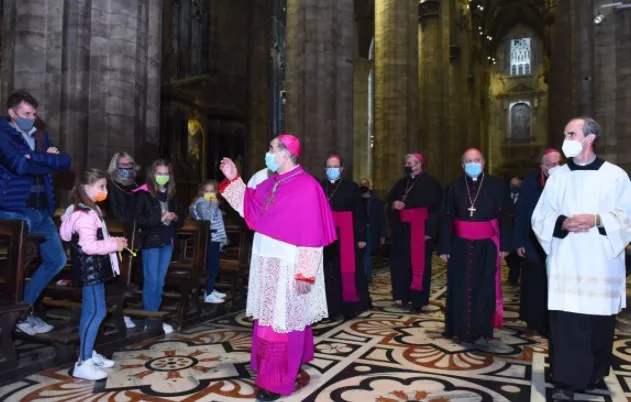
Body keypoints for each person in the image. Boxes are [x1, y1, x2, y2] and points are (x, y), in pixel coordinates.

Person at [218, 134, 336, 401]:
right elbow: (248, 207)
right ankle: (272, 366)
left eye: (272, 148)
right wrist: (234, 178)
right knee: (271, 319)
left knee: (283, 321)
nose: (268, 152)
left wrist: (305, 272)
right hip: (265, 261)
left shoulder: (307, 186)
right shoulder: (272, 182)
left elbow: (312, 234)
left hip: (288, 264)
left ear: (286, 153)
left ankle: (277, 381)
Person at [531, 117, 631, 401]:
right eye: (565, 134)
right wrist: (562, 223)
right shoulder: (558, 176)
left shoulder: (615, 176)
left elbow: (627, 215)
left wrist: (597, 219)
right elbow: (540, 216)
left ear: (589, 138)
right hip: (567, 262)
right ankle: (563, 381)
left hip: (601, 263)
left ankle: (593, 374)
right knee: (566, 323)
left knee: (597, 322)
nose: (566, 138)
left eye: (571, 134)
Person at [0, 91, 71, 335]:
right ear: (12, 113)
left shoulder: (40, 136)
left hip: (42, 210)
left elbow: (64, 162)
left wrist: (34, 157)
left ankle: (23, 312)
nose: (32, 117)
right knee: (20, 265)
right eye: (26, 114)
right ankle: (16, 316)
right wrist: (44, 160)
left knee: (57, 260)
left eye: (34, 113)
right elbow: (18, 164)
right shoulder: (3, 134)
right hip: (16, 209)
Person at [439, 148, 512, 343]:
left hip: (486, 246)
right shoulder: (453, 187)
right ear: (463, 165)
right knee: (459, 286)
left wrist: (505, 245)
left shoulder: (497, 185)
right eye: (469, 160)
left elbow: (505, 216)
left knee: (484, 286)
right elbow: (446, 217)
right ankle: (458, 328)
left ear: (484, 163)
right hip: (459, 246)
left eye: (477, 159)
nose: (473, 163)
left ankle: (482, 329)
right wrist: (444, 246)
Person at [59, 169, 127, 380]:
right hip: (91, 271)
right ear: (86, 188)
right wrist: (113, 244)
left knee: (91, 313)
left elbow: (93, 239)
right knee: (96, 313)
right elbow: (88, 246)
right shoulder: (84, 215)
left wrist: (111, 241)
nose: (105, 191)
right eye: (101, 186)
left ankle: (87, 353)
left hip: (93, 270)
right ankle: (83, 363)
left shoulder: (87, 210)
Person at [514, 149, 562, 336]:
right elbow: (522, 212)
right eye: (553, 164)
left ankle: (554, 321)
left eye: (560, 162)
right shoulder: (530, 181)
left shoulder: (568, 179)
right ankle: (533, 321)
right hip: (533, 240)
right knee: (534, 282)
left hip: (558, 239)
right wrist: (519, 241)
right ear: (543, 167)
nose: (558, 167)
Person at [133, 159, 184, 334]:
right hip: (151, 242)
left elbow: (181, 217)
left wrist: (174, 217)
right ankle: (150, 319)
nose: (162, 177)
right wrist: (159, 218)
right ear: (152, 174)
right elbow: (139, 220)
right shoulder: (144, 194)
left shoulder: (172, 194)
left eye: (165, 173)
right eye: (159, 173)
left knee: (160, 283)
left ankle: (156, 318)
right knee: (151, 282)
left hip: (167, 241)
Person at [388, 153, 442, 312]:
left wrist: (430, 231)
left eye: (410, 163)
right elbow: (390, 199)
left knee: (419, 264)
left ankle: (418, 299)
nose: (407, 166)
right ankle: (403, 296)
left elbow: (437, 210)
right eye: (406, 163)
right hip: (402, 229)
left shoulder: (431, 183)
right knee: (401, 263)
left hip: (421, 229)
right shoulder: (401, 183)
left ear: (419, 164)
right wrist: (393, 204)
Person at [322, 155, 371, 320]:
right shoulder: (320, 187)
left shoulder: (351, 187)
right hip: (326, 234)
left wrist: (361, 237)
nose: (332, 170)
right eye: (329, 167)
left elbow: (360, 213)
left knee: (348, 270)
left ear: (341, 169)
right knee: (328, 271)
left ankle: (350, 307)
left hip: (347, 234)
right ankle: (330, 308)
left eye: (335, 167)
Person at [190, 180, 228, 304]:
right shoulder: (202, 202)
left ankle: (210, 289)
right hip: (210, 238)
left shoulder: (209, 202)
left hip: (214, 238)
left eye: (212, 191)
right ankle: (208, 293)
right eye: (207, 191)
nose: (210, 193)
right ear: (202, 192)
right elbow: (207, 219)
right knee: (212, 267)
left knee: (214, 266)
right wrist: (213, 206)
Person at [358, 177, 386, 282]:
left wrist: (382, 234)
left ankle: (367, 276)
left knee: (367, 253)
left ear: (368, 185)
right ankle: (361, 275)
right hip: (359, 229)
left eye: (365, 184)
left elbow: (382, 218)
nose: (363, 186)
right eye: (361, 184)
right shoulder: (356, 199)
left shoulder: (376, 200)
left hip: (371, 229)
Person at [103, 152, 140, 222]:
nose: (126, 167)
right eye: (123, 164)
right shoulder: (111, 184)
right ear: (116, 166)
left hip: (135, 224)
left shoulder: (135, 184)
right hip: (118, 226)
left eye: (129, 164)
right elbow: (114, 210)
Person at [506, 177, 523, 287]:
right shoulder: (505, 196)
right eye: (513, 185)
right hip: (507, 232)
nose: (515, 187)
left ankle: (514, 275)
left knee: (518, 257)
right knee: (509, 257)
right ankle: (513, 273)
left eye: (517, 185)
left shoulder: (524, 197)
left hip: (519, 231)